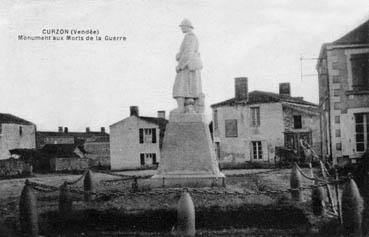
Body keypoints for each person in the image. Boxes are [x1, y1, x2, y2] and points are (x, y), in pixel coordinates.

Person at [173, 19, 204, 113]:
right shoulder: (189, 37)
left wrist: (180, 65)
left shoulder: (190, 37)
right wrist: (179, 55)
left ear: (187, 26)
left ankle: (182, 108)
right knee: (188, 89)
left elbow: (188, 53)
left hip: (187, 67)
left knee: (181, 87)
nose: (181, 28)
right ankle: (185, 108)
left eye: (182, 26)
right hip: (189, 67)